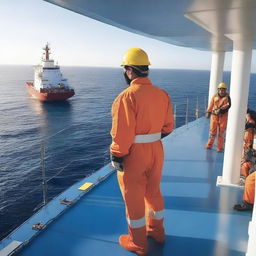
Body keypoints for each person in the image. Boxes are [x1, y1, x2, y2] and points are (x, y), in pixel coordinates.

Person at [110, 48, 174, 255]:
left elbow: (122, 133)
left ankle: (138, 243)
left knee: (134, 198)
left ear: (129, 71)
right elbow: (168, 127)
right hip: (157, 149)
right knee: (154, 191)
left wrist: (117, 154)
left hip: (134, 154)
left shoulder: (126, 97)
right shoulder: (162, 94)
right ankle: (157, 232)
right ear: (146, 69)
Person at [205, 82, 231, 152]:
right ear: (218, 90)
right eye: (220, 89)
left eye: (223, 90)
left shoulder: (227, 98)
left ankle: (219, 147)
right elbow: (211, 104)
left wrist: (220, 111)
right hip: (214, 116)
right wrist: (208, 112)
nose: (222, 91)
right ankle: (209, 145)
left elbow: (228, 106)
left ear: (225, 90)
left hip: (223, 117)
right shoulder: (214, 96)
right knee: (212, 131)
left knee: (221, 132)